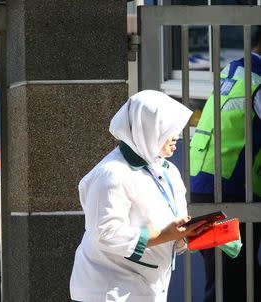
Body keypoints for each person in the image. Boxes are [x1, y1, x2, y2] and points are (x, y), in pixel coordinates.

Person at [69, 90, 210, 302]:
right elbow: (106, 233)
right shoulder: (112, 173)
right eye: (169, 130)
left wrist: (191, 234)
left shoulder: (168, 170)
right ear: (150, 130)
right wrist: (165, 235)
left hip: (147, 288)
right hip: (108, 292)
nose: (177, 137)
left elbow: (173, 225)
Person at [189, 26, 261, 302]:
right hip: (230, 195)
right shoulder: (258, 80)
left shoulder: (232, 71)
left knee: (235, 280)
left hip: (207, 189)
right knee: (229, 286)